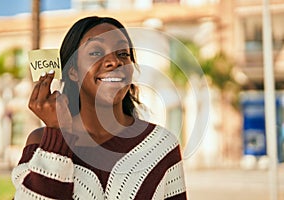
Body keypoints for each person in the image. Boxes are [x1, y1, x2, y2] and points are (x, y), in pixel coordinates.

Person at [11, 16, 187, 200]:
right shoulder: (40, 141)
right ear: (73, 71)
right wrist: (56, 134)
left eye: (122, 54)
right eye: (96, 52)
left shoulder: (161, 146)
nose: (114, 61)